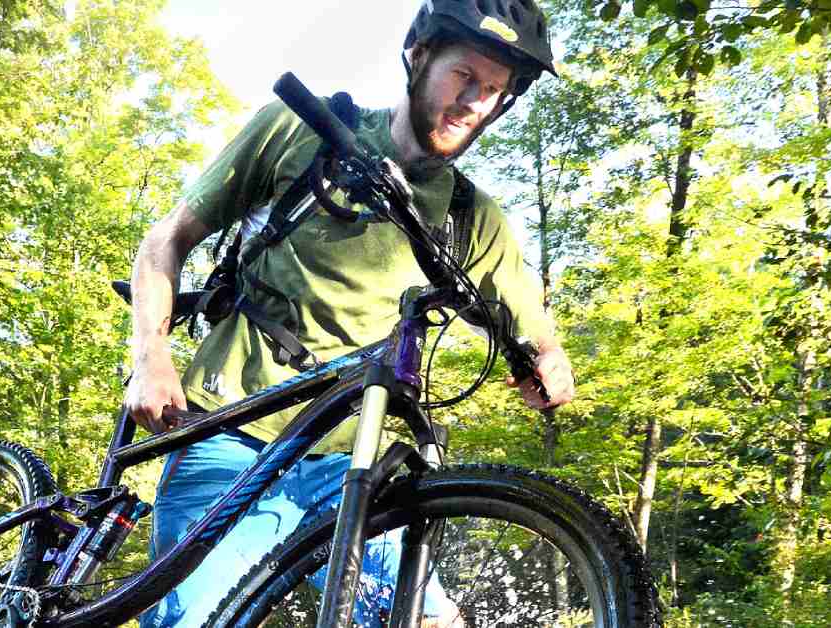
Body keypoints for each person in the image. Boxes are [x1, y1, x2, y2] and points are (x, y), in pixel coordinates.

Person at [125, 1, 575, 626]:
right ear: (419, 57)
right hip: (231, 433)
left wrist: (548, 363)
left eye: (494, 90)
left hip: (351, 460)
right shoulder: (300, 131)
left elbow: (535, 333)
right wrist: (149, 356)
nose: (475, 100)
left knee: (430, 620)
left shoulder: (471, 217)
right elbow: (165, 239)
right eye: (464, 75)